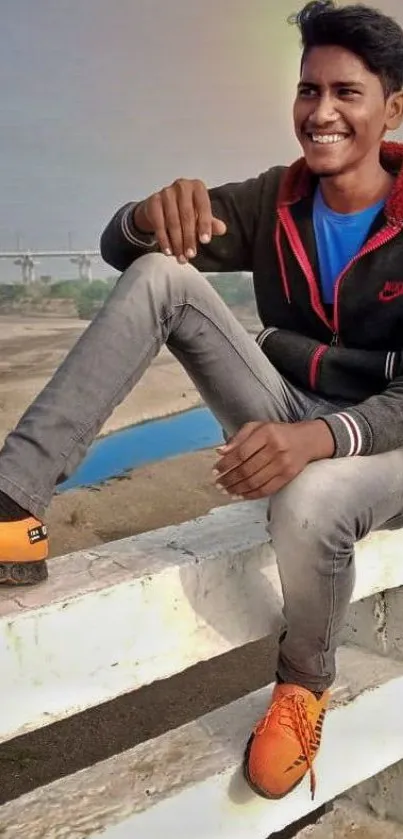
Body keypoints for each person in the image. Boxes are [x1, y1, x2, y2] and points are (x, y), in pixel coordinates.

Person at [1, 0, 403, 802]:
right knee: (161, 275)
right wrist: (145, 216)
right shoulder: (274, 199)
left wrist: (324, 439)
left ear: (391, 107)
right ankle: (14, 503)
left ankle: (302, 681)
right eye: (306, 90)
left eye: (345, 93)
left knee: (314, 496)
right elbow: (123, 250)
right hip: (289, 409)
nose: (319, 113)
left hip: (384, 443)